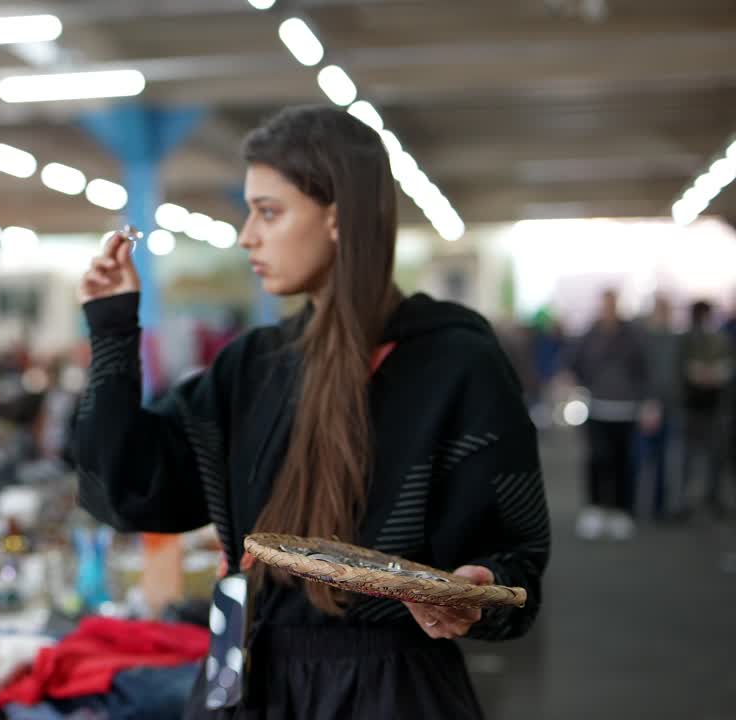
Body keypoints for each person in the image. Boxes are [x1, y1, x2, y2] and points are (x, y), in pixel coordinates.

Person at [71, 106, 549, 719]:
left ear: (338, 217)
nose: (248, 235)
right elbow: (126, 490)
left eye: (269, 212)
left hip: (384, 688)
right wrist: (113, 329)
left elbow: (517, 558)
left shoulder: (454, 362)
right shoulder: (252, 366)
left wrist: (476, 588)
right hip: (239, 672)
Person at [568, 289, 648, 540]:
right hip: (597, 407)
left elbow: (644, 370)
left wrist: (646, 401)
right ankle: (595, 509)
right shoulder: (589, 335)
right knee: (596, 460)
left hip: (626, 409)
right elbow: (574, 363)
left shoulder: (633, 335)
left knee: (624, 462)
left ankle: (622, 511)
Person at [678, 301, 733, 517]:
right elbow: (682, 368)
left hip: (715, 405)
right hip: (691, 405)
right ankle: (684, 500)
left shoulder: (719, 339)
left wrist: (714, 374)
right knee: (688, 457)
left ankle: (711, 497)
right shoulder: (687, 339)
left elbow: (727, 366)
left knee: (714, 456)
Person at [637, 294, 681, 520]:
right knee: (643, 458)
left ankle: (659, 507)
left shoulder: (675, 339)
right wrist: (645, 402)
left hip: (669, 407)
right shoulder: (643, 339)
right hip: (646, 406)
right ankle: (637, 505)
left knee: (665, 459)